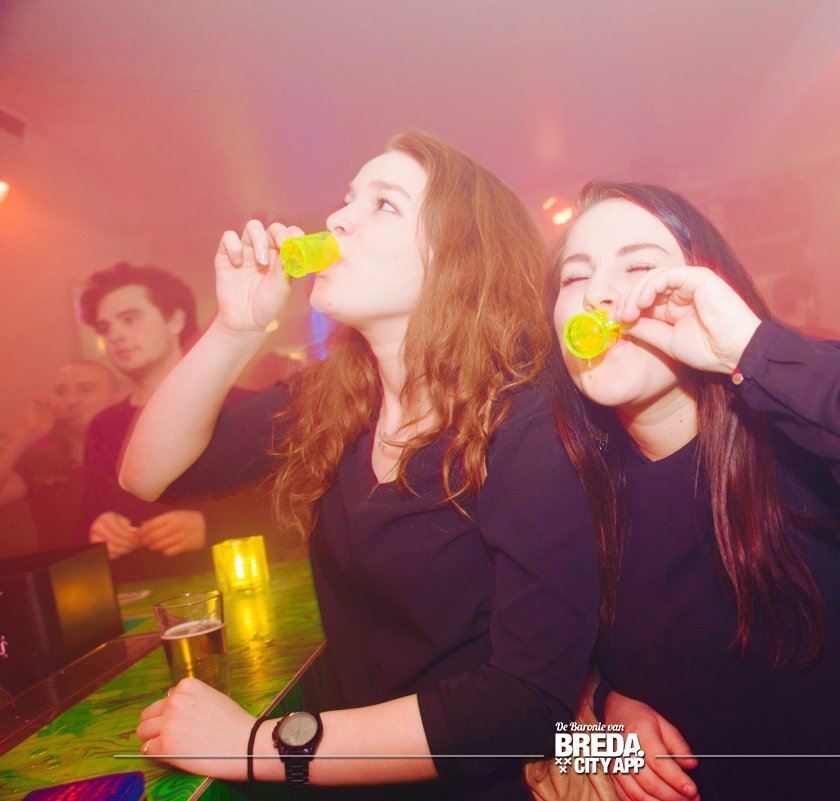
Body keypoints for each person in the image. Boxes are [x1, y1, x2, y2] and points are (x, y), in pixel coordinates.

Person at [124, 131, 598, 799]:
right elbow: (150, 475)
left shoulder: (528, 422)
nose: (338, 217)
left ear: (457, 256)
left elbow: (524, 704)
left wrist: (257, 744)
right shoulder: (332, 400)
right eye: (347, 198)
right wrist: (235, 329)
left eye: (384, 204)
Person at [544, 182, 840, 801]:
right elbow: (522, 728)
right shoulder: (561, 490)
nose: (598, 293)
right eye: (574, 277)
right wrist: (606, 712)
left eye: (638, 266)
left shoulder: (799, 417)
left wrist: (755, 352)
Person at [76, 262, 273, 581]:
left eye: (129, 319)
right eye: (105, 328)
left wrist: (210, 526)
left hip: (231, 587)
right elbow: (84, 518)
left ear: (175, 320)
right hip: (137, 592)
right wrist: (99, 528)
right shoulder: (103, 425)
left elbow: (290, 514)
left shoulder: (242, 406)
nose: (116, 335)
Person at [0, 360, 120, 550]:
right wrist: (27, 431)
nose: (70, 401)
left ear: (115, 399)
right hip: (64, 566)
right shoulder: (41, 457)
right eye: (61, 392)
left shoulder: (132, 451)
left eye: (86, 389)